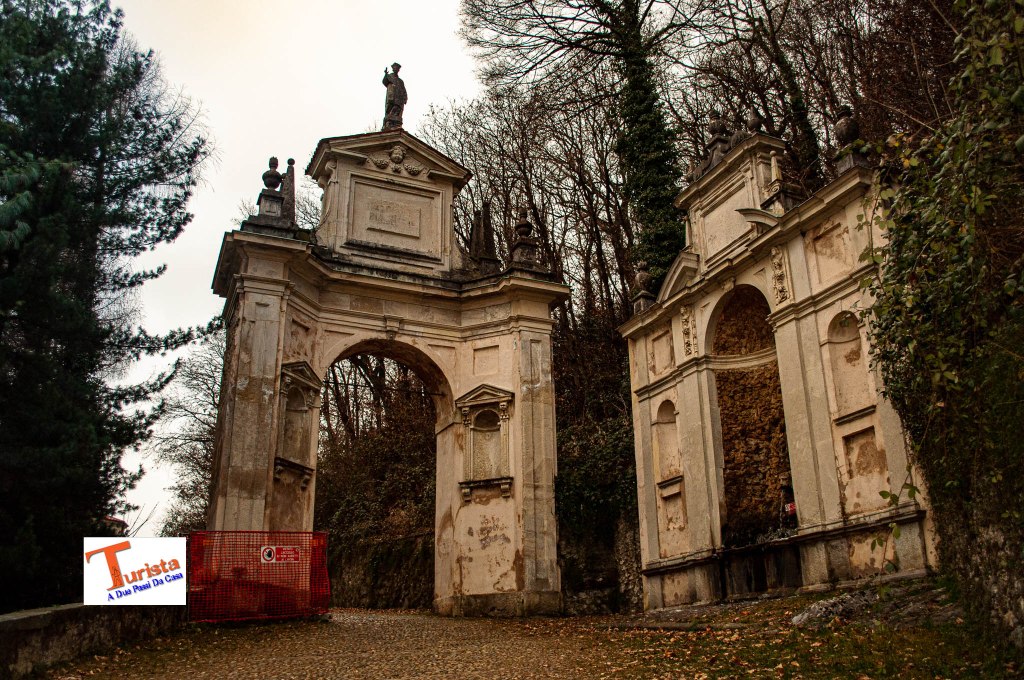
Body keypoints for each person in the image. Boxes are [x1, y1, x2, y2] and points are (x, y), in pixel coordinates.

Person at [382, 63, 407, 130]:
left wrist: (405, 98)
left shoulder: (400, 81)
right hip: (392, 97)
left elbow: (404, 90)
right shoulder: (390, 76)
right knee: (391, 109)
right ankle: (389, 121)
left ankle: (396, 123)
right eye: (395, 67)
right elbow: (385, 82)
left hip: (399, 99)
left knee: (398, 109)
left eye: (397, 68)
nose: (396, 69)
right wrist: (385, 74)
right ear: (393, 68)